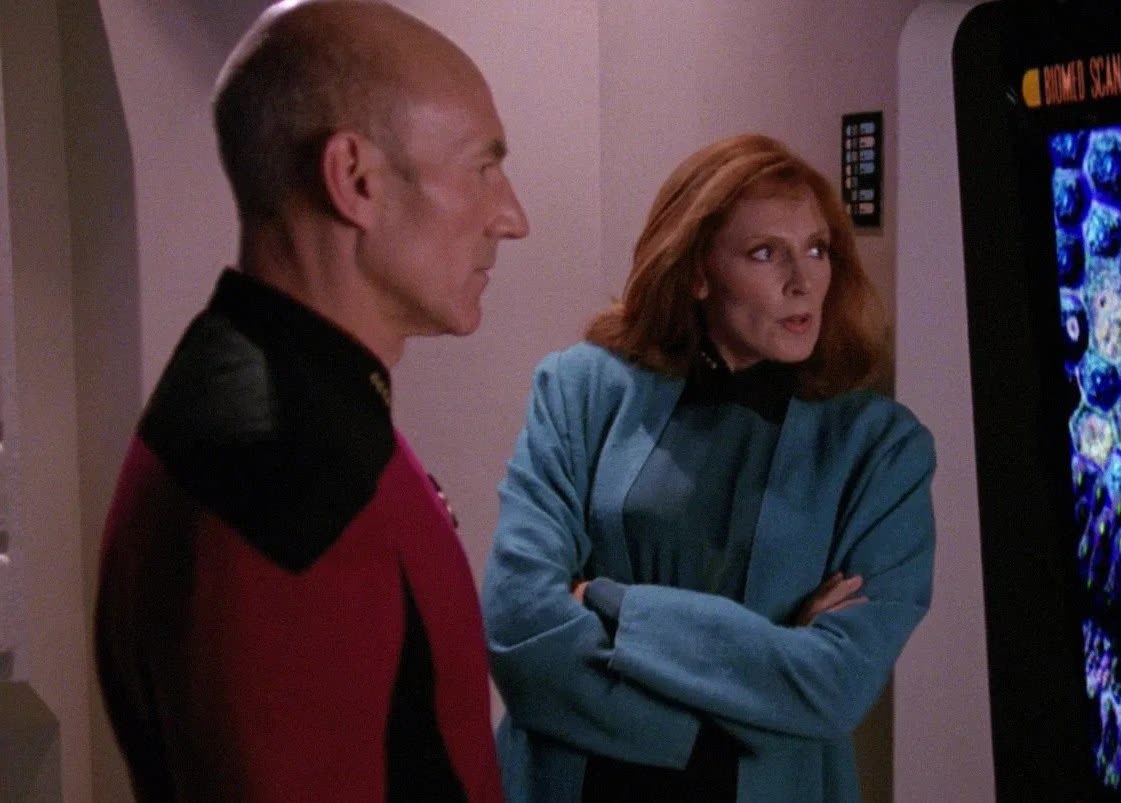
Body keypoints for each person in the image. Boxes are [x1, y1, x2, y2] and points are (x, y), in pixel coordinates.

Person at [93, 1, 528, 800]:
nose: (512, 217)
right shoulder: (284, 476)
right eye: (481, 168)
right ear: (355, 179)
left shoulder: (283, 390)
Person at [482, 133, 935, 802]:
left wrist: (609, 604)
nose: (802, 281)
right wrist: (754, 686)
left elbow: (831, 685)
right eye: (765, 253)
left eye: (816, 249)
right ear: (696, 273)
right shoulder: (578, 389)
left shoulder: (881, 449)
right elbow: (520, 627)